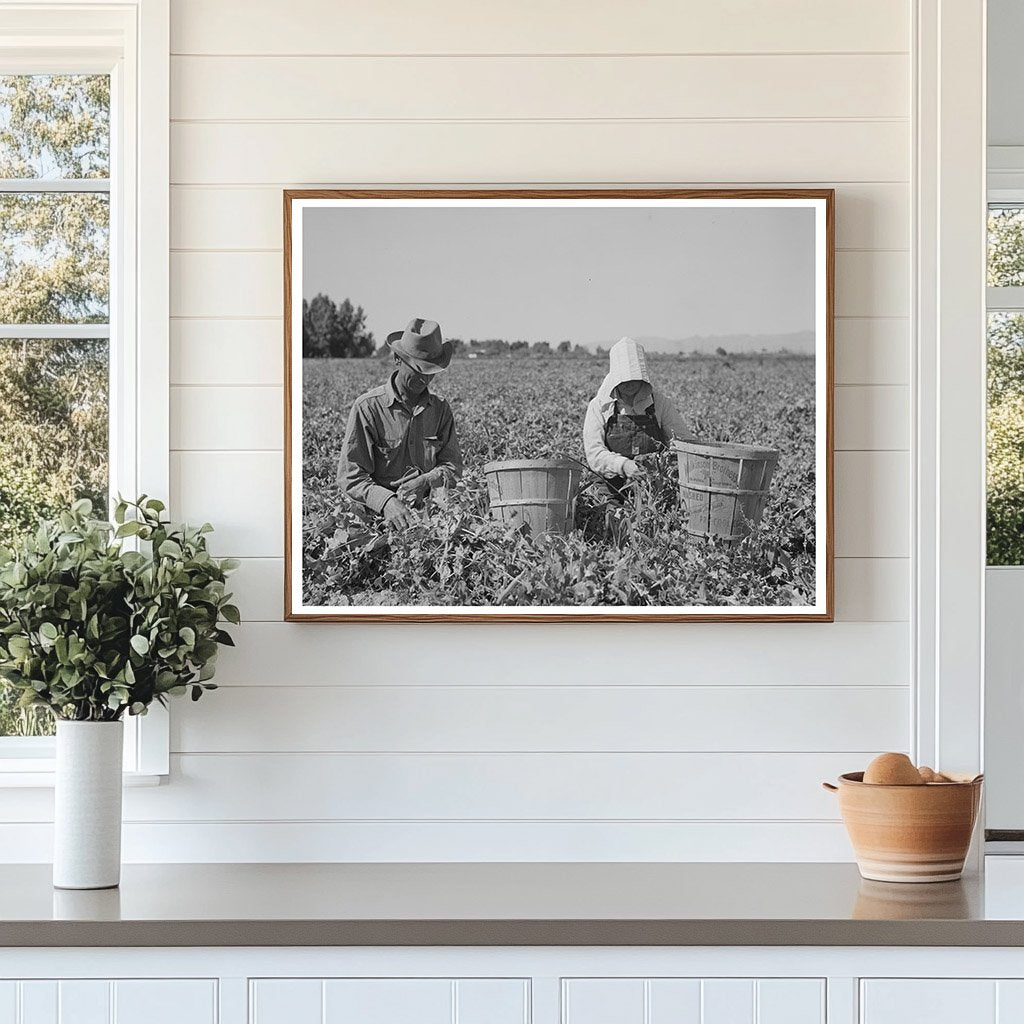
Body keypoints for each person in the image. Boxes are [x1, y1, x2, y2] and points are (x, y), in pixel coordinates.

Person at [338, 317, 463, 527]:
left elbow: (453, 467)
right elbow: (351, 476)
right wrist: (387, 502)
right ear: (397, 359)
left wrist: (425, 481)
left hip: (430, 513)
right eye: (418, 369)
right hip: (378, 516)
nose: (424, 379)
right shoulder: (368, 408)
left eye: (430, 372)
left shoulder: (440, 410)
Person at [582, 336, 692, 493]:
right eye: (623, 380)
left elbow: (685, 443)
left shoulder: (659, 403)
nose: (629, 384)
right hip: (611, 486)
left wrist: (670, 461)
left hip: (654, 486)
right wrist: (624, 465)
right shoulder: (599, 406)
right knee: (611, 514)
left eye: (634, 378)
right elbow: (594, 454)